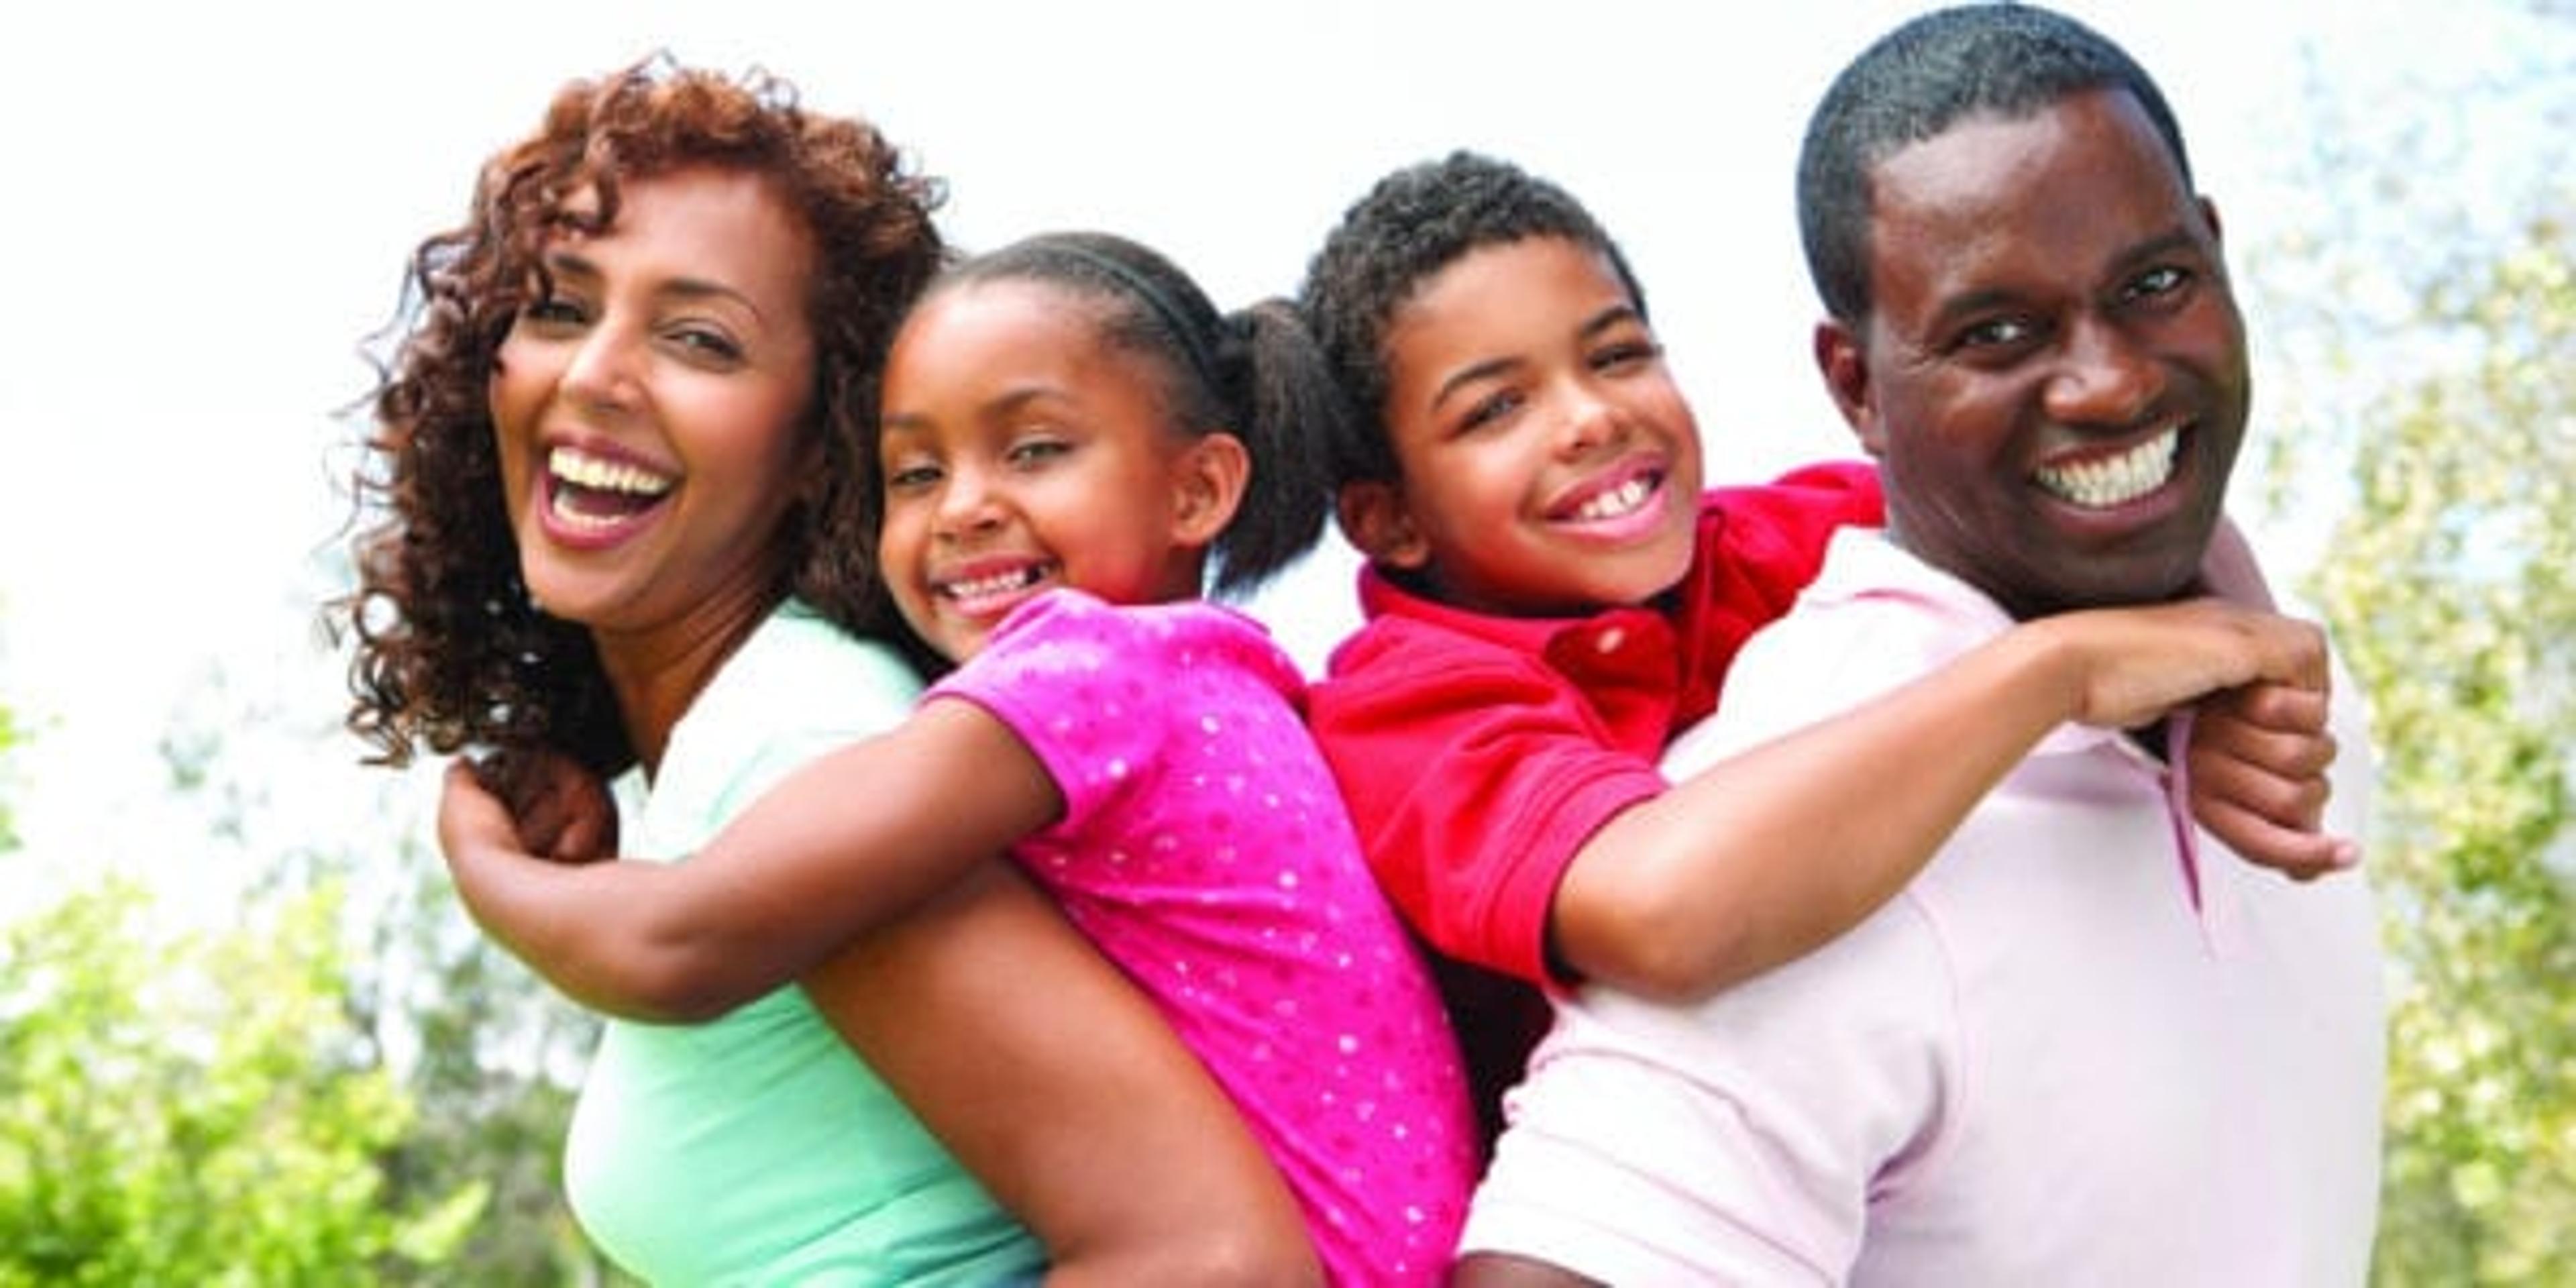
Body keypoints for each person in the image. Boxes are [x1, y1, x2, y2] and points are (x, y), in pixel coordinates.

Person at [335, 58, 1321, 1285]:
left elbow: (1212, 1256)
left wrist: (482, 867)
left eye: (699, 337)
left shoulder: (803, 744)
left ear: (825, 442)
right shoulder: (739, 747)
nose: (594, 374)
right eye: (558, 307)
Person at [1454, 5, 2387, 1283]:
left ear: (2218, 255)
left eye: (2156, 284)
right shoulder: (1813, 828)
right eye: (1996, 333)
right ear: (1855, 387)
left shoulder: (2285, 703)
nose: (2108, 383)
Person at [436, 229, 1481, 1284]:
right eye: (917, 471)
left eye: (1034, 450)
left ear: (1199, 491)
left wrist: (489, 871)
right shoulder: (1226, 684)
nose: (965, 507)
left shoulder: (1086, 676)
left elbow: (684, 942)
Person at [1291, 146, 2357, 1140]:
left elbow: (2097, 509)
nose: (1590, 419)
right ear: (1391, 521)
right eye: (1495, 411)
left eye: (1617, 356)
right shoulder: (1410, 709)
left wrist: (2237, 686)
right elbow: (1662, 919)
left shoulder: (1783, 542)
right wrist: (2057, 673)